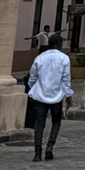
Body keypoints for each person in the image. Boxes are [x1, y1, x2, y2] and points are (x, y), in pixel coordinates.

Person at [28, 33, 72, 162]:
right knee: (56, 121)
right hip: (57, 96)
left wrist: (33, 89)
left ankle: (37, 152)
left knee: (39, 124)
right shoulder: (64, 58)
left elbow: (32, 77)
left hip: (41, 95)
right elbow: (66, 78)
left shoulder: (40, 58)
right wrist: (68, 94)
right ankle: (50, 146)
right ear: (59, 45)